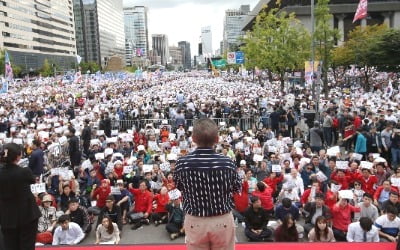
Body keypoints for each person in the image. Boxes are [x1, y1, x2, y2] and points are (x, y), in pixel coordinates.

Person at [174, 118, 241, 250]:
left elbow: (179, 187)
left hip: (195, 219)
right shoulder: (227, 162)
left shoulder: (182, 163)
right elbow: (236, 188)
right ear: (217, 139)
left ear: (193, 139)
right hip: (222, 219)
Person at [0, 143, 41, 250]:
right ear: (18, 156)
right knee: (27, 246)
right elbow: (33, 180)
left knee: (10, 246)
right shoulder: (24, 171)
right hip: (27, 215)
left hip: (7, 217)